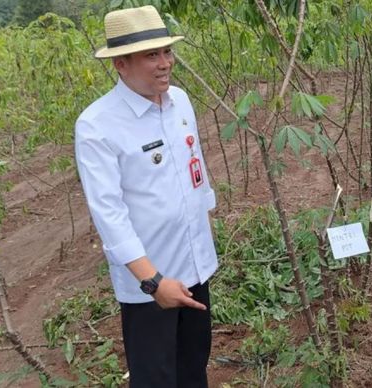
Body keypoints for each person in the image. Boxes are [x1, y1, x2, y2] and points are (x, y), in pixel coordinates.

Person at [74, 6, 217, 387]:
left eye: (167, 51)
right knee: (155, 376)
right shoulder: (97, 125)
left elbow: (195, 172)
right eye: (151, 55)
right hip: (150, 284)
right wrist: (153, 282)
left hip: (196, 265)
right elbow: (109, 214)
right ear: (121, 64)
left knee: (193, 366)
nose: (164, 63)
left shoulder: (181, 102)